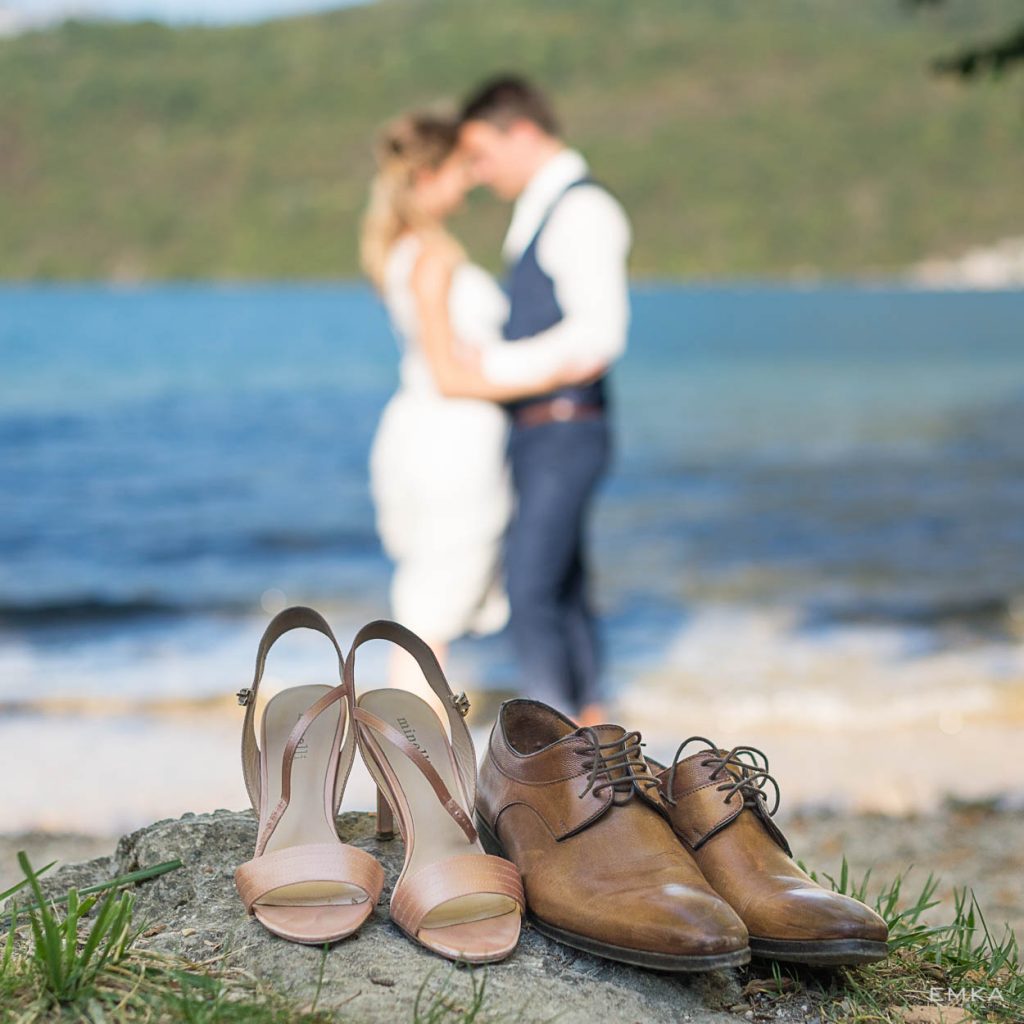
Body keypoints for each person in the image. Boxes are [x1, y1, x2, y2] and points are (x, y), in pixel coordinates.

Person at [359, 111, 599, 712]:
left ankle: (406, 745)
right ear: (432, 174)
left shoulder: (397, 249)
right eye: (462, 170)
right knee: (431, 608)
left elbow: (438, 363)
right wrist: (546, 376)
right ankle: (411, 750)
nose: (470, 182)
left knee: (425, 597)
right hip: (453, 440)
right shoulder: (434, 257)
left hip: (422, 430)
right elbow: (447, 373)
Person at [418, 75, 632, 725]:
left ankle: (559, 745)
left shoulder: (581, 209)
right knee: (562, 589)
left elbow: (600, 335)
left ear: (526, 133)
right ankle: (592, 735)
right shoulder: (545, 209)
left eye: (481, 154)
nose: (476, 173)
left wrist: (493, 364)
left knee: (532, 588)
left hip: (566, 425)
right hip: (550, 427)